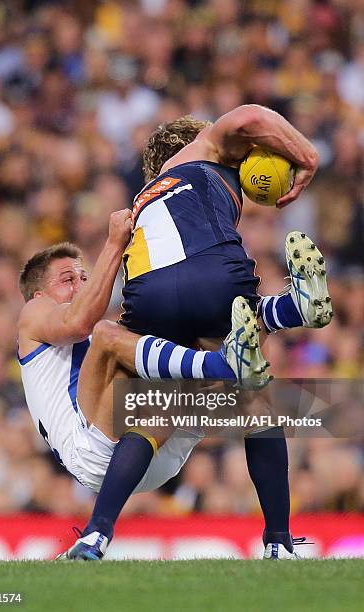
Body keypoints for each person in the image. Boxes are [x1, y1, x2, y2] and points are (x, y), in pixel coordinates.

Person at [55, 104, 332, 561]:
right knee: (258, 405)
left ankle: (95, 533)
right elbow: (248, 117)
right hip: (215, 277)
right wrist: (307, 158)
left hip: (148, 296)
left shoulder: (141, 198)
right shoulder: (201, 153)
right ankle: (279, 543)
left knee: (152, 416)